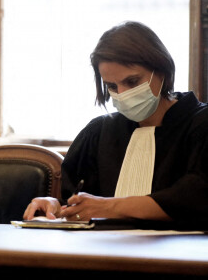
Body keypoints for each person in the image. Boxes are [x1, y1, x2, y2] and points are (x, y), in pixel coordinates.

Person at [23, 21, 208, 225]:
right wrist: (56, 206)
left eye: (132, 82)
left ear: (162, 71)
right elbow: (78, 201)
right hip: (104, 251)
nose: (122, 94)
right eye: (112, 86)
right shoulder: (99, 132)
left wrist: (108, 206)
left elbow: (196, 198)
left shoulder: (201, 125)